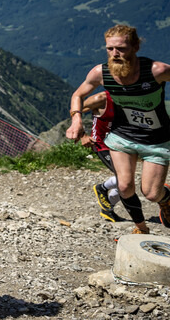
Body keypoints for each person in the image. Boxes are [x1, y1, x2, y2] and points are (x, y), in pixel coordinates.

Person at [66, 25, 170, 235]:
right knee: (124, 186)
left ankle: (166, 200)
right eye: (110, 49)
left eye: (121, 48)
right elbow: (78, 95)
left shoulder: (157, 71)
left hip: (156, 140)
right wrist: (76, 119)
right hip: (123, 136)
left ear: (135, 47)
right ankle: (141, 228)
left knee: (150, 193)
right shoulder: (101, 73)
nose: (115, 54)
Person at [76, 90, 126, 222]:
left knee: (127, 182)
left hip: (121, 145)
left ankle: (107, 210)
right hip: (102, 145)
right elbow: (76, 110)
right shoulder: (101, 98)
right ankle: (102, 188)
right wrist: (82, 135)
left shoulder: (132, 97)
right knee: (124, 178)